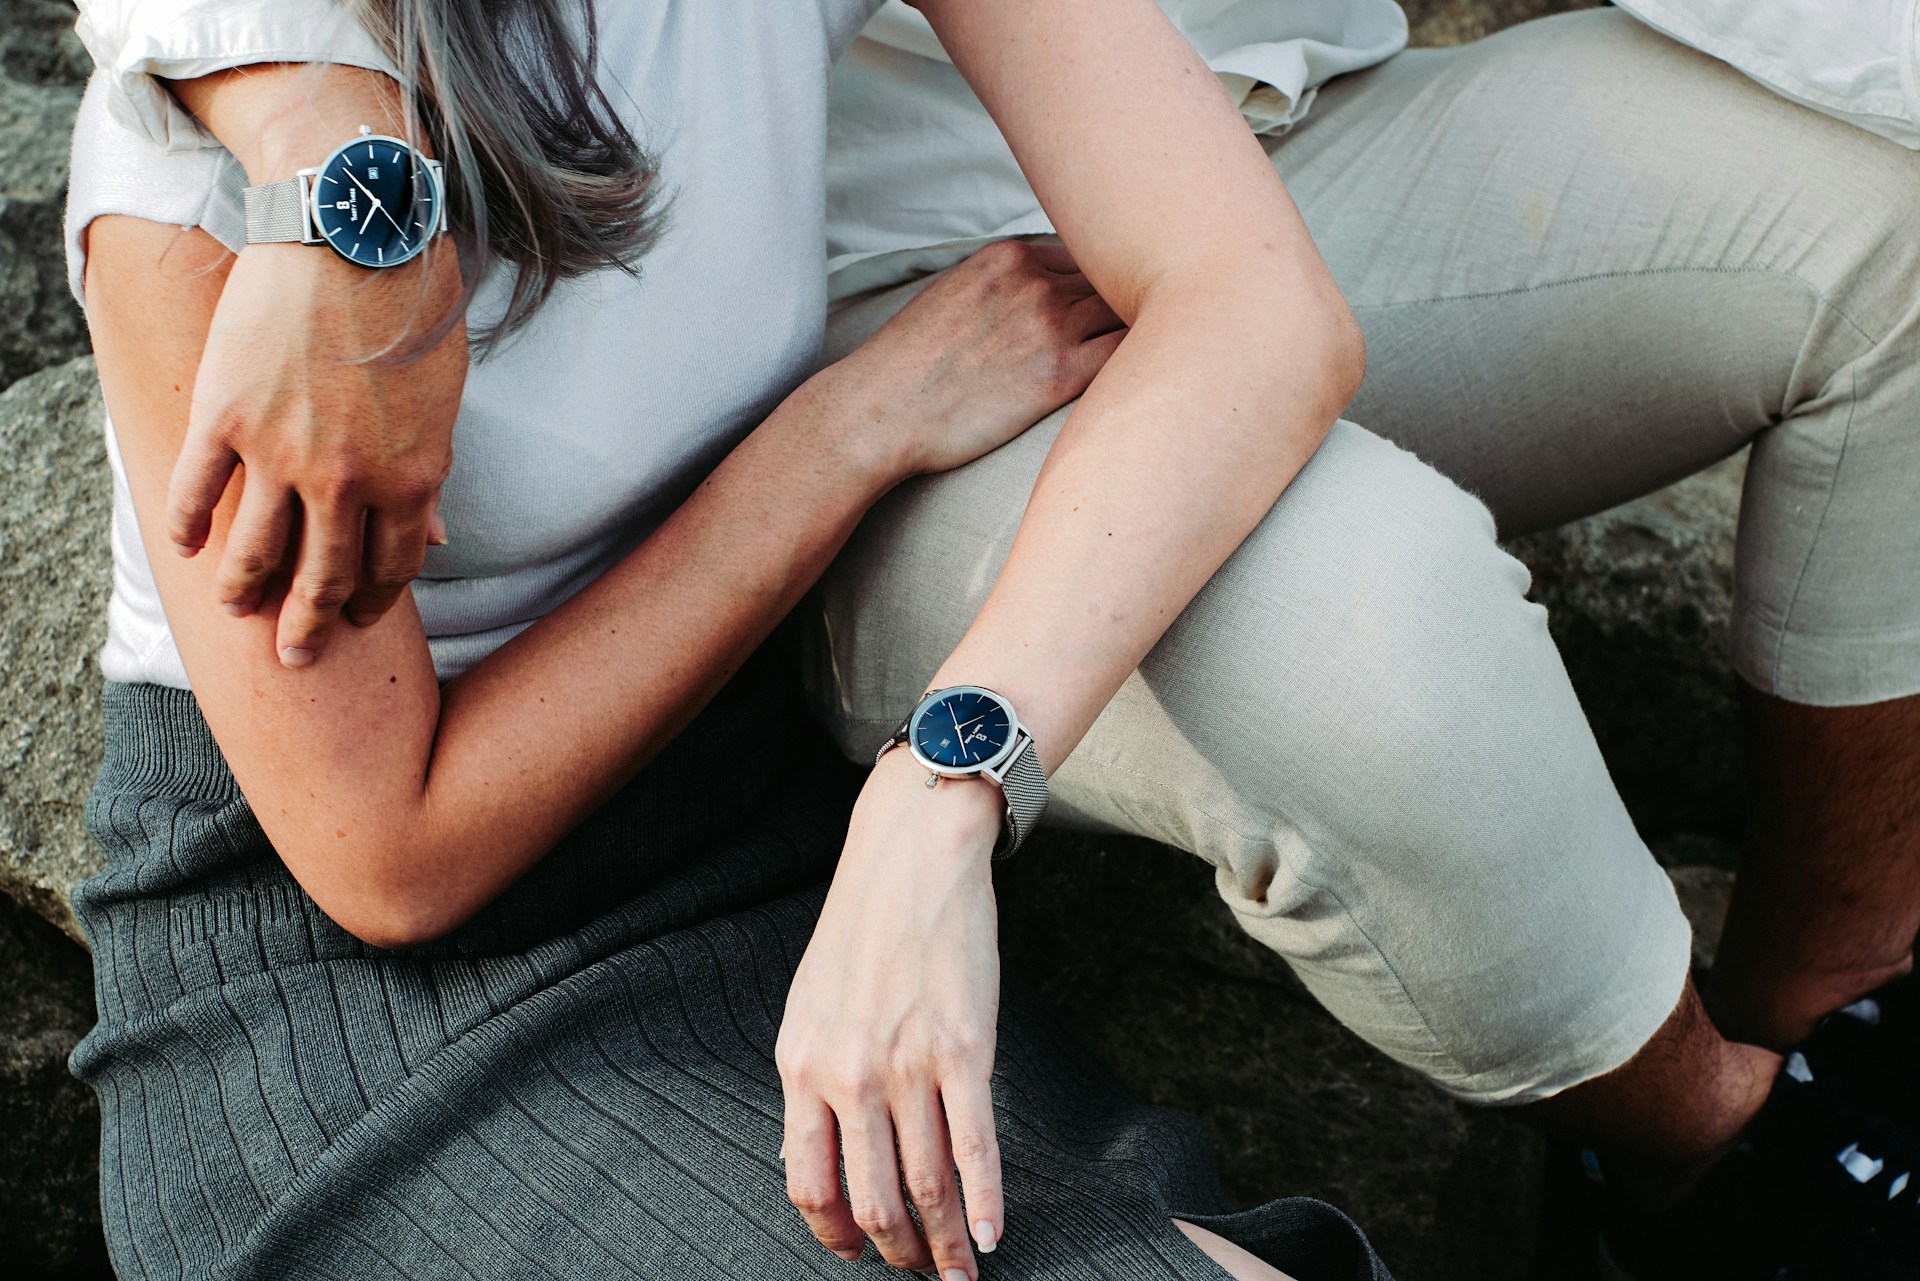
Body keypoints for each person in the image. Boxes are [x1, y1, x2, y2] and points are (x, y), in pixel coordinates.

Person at [66, 0, 1389, 1279]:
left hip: (749, 859)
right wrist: (849, 428)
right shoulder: (200, 158)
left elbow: (1259, 302)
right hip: (358, 1009)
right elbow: (389, 855)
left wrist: (944, 792)